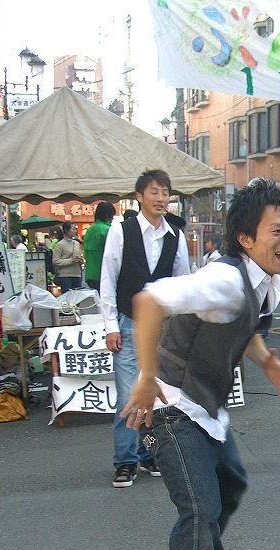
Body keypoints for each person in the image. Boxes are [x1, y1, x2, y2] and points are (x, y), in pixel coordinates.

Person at [120, 178, 280, 550]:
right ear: (245, 238)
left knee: (230, 486)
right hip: (170, 405)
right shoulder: (223, 279)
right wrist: (144, 376)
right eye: (277, 231)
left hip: (206, 407)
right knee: (199, 510)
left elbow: (244, 325)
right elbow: (148, 302)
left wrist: (266, 361)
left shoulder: (265, 280)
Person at [101, 169, 190, 488]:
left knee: (156, 394)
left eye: (165, 193)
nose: (161, 198)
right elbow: (108, 279)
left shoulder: (175, 236)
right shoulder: (121, 231)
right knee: (128, 394)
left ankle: (147, 453)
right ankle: (125, 460)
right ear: (139, 197)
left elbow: (183, 284)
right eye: (154, 192)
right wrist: (110, 326)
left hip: (162, 329)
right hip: (127, 323)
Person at [82, 202, 115, 292]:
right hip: (104, 274)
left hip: (90, 274)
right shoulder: (107, 230)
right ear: (109, 215)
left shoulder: (90, 229)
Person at [51, 222, 84, 293]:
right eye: (73, 229)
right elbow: (55, 261)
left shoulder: (76, 243)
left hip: (77, 275)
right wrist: (71, 260)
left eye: (75, 229)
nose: (75, 231)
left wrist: (81, 260)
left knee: (78, 297)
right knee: (67, 297)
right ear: (66, 230)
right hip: (65, 276)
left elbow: (80, 257)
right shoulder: (59, 245)